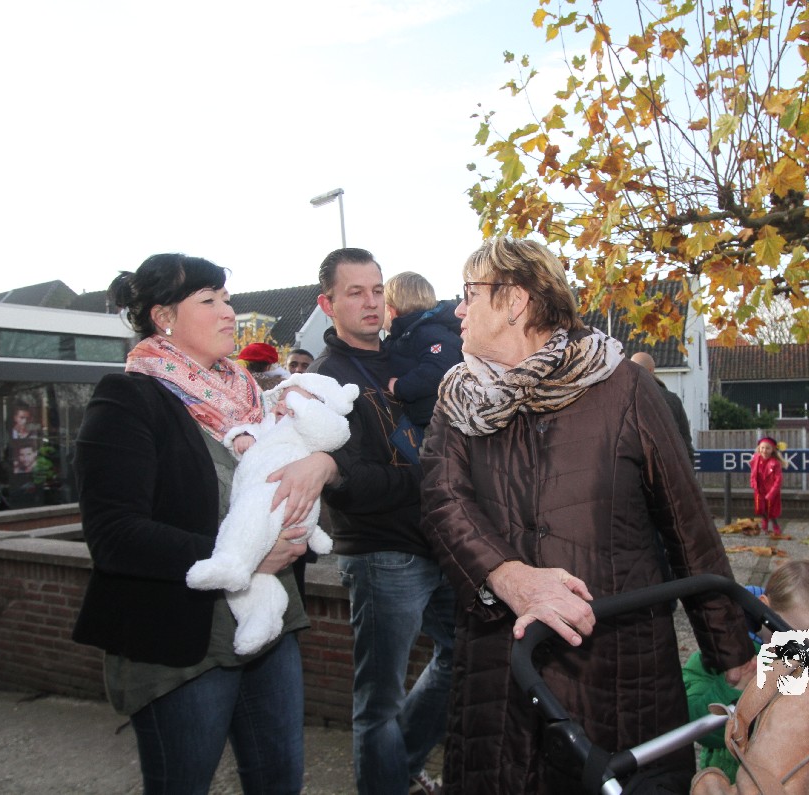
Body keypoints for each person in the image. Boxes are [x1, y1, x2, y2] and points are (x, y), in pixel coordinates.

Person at [419, 237, 753, 794]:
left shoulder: (623, 387)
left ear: (514, 301)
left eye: (469, 293)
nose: (458, 309)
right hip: (501, 663)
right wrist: (509, 577)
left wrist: (733, 654)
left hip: (615, 663)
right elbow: (441, 499)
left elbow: (686, 521)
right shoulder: (457, 398)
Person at [71, 253, 338, 795]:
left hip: (271, 625)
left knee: (280, 780)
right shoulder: (128, 399)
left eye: (228, 299)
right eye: (209, 300)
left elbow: (297, 461)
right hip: (182, 639)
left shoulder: (251, 397)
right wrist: (243, 558)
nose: (229, 312)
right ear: (163, 316)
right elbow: (114, 535)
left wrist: (324, 464)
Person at [310, 247, 455, 795]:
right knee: (379, 701)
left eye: (377, 290)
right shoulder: (326, 379)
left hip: (440, 539)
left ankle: (402, 766)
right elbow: (349, 483)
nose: (371, 302)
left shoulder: (407, 354)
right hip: (382, 554)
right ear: (327, 304)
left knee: (464, 656)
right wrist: (433, 477)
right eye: (355, 293)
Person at [682, 560, 809, 783]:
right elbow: (694, 728)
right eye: (796, 641)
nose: (804, 655)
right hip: (735, 780)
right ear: (764, 608)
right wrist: (730, 690)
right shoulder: (723, 656)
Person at [382, 271, 463, 430]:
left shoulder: (429, 332)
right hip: (423, 418)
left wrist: (400, 387)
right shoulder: (405, 336)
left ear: (391, 311)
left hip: (439, 422)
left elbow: (439, 369)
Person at [629, 351, 695, 463]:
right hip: (668, 468)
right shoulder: (672, 401)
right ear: (651, 370)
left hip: (634, 469)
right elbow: (685, 444)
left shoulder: (623, 401)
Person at [750, 435, 785, 533]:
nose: (764, 450)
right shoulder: (756, 458)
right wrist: (753, 484)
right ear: (759, 448)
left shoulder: (775, 463)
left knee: (771, 509)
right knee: (760, 508)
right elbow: (753, 473)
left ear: (773, 450)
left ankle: (775, 524)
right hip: (759, 488)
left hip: (770, 489)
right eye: (762, 448)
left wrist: (772, 492)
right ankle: (764, 520)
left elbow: (778, 479)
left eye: (767, 448)